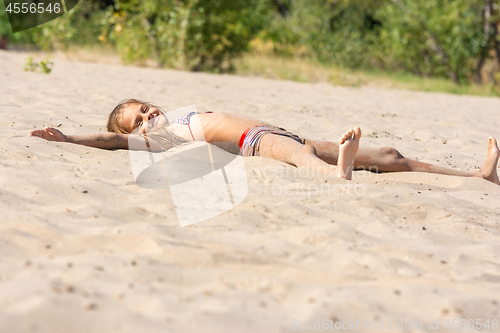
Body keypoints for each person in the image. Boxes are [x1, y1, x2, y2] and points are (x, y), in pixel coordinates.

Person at [29, 99, 500, 184]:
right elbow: (109, 142)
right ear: (135, 133)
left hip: (282, 131)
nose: (149, 115)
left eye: (146, 107)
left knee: (393, 157)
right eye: (139, 119)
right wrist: (67, 136)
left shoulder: (174, 116)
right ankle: (338, 175)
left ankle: (477, 175)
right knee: (299, 158)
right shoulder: (159, 138)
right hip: (255, 142)